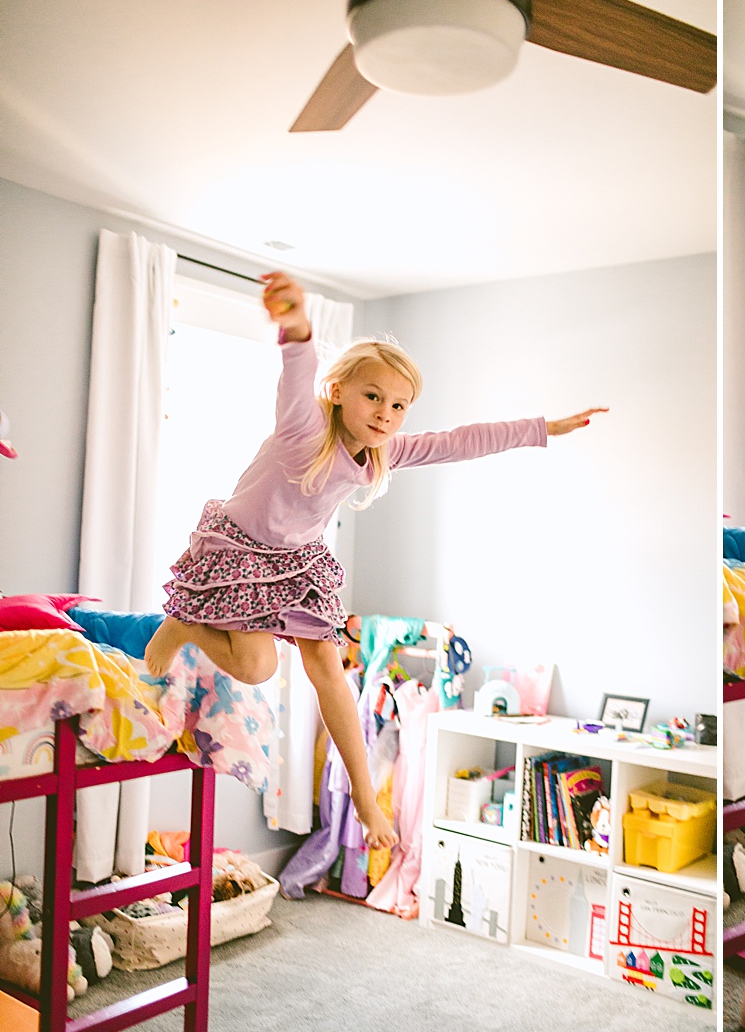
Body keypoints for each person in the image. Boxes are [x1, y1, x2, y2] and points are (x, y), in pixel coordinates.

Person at [144, 272, 605, 848]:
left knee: (329, 670)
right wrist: (296, 322)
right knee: (259, 668)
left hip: (296, 564)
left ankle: (364, 796)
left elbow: (460, 441)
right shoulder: (304, 426)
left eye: (398, 405)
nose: (386, 413)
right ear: (339, 391)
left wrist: (543, 428)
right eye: (373, 396)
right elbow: (298, 369)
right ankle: (187, 620)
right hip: (239, 548)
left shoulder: (382, 452)